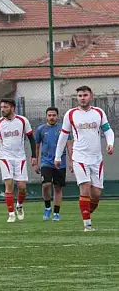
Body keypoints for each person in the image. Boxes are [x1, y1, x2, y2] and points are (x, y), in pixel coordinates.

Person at [55, 86, 114, 231]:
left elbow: (108, 130)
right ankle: (87, 224)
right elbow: (63, 136)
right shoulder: (71, 114)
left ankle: (86, 212)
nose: (82, 98)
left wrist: (110, 143)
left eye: (85, 95)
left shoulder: (99, 113)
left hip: (96, 159)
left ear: (91, 96)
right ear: (77, 98)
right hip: (79, 157)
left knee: (96, 194)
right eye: (80, 95)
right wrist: (57, 156)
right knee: (85, 188)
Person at [0, 98, 37, 222]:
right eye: (1, 107)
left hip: (20, 158)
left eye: (5, 107)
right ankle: (11, 214)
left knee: (22, 187)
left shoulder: (22, 121)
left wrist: (34, 156)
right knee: (9, 184)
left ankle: (19, 206)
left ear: (12, 108)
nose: (3, 109)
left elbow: (31, 138)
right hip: (5, 157)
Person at [34, 107, 73, 221]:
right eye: (49, 115)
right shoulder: (40, 129)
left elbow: (69, 146)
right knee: (46, 185)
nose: (52, 117)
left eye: (54, 115)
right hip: (46, 162)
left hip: (60, 163)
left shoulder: (63, 129)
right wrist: (35, 161)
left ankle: (56, 213)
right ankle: (47, 208)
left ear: (57, 116)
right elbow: (37, 147)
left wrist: (71, 161)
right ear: (46, 116)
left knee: (57, 188)